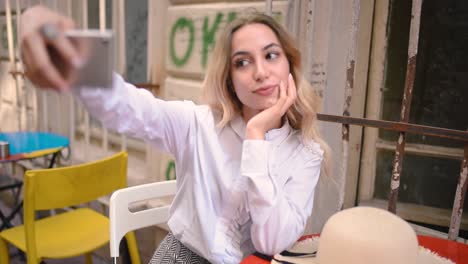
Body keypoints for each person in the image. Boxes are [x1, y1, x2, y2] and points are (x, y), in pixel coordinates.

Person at [20, 5, 330, 264]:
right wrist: (50, 32)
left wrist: (256, 137)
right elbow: (126, 106)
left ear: (291, 63)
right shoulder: (198, 124)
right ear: (229, 79)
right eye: (242, 62)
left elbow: (271, 239)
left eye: (271, 55)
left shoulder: (307, 152)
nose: (260, 72)